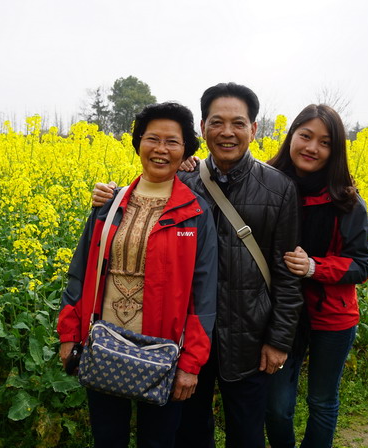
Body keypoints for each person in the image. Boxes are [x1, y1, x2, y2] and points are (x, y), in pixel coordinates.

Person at [92, 83, 303, 448]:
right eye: (217, 122)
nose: (227, 132)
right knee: (189, 434)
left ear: (254, 129)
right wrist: (109, 197)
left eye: (238, 123)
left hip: (249, 338)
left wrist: (278, 340)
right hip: (185, 337)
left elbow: (287, 274)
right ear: (203, 128)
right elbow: (138, 208)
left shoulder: (278, 188)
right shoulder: (183, 179)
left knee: (247, 434)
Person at [58, 101, 219, 448]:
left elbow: (203, 296)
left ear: (186, 151)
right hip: (104, 345)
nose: (161, 149)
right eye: (152, 139)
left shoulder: (196, 213)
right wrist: (69, 334)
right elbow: (80, 271)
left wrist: (191, 364)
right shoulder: (109, 204)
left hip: (164, 354)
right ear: (138, 143)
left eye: (172, 141)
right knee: (107, 438)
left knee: (158, 441)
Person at [264, 104, 368, 448]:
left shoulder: (347, 201)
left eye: (325, 142)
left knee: (322, 401)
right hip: (282, 316)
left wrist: (314, 267)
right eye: (306, 136)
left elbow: (362, 264)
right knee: (276, 407)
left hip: (332, 316)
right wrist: (191, 165)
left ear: (335, 150)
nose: (312, 147)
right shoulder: (265, 185)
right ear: (291, 136)